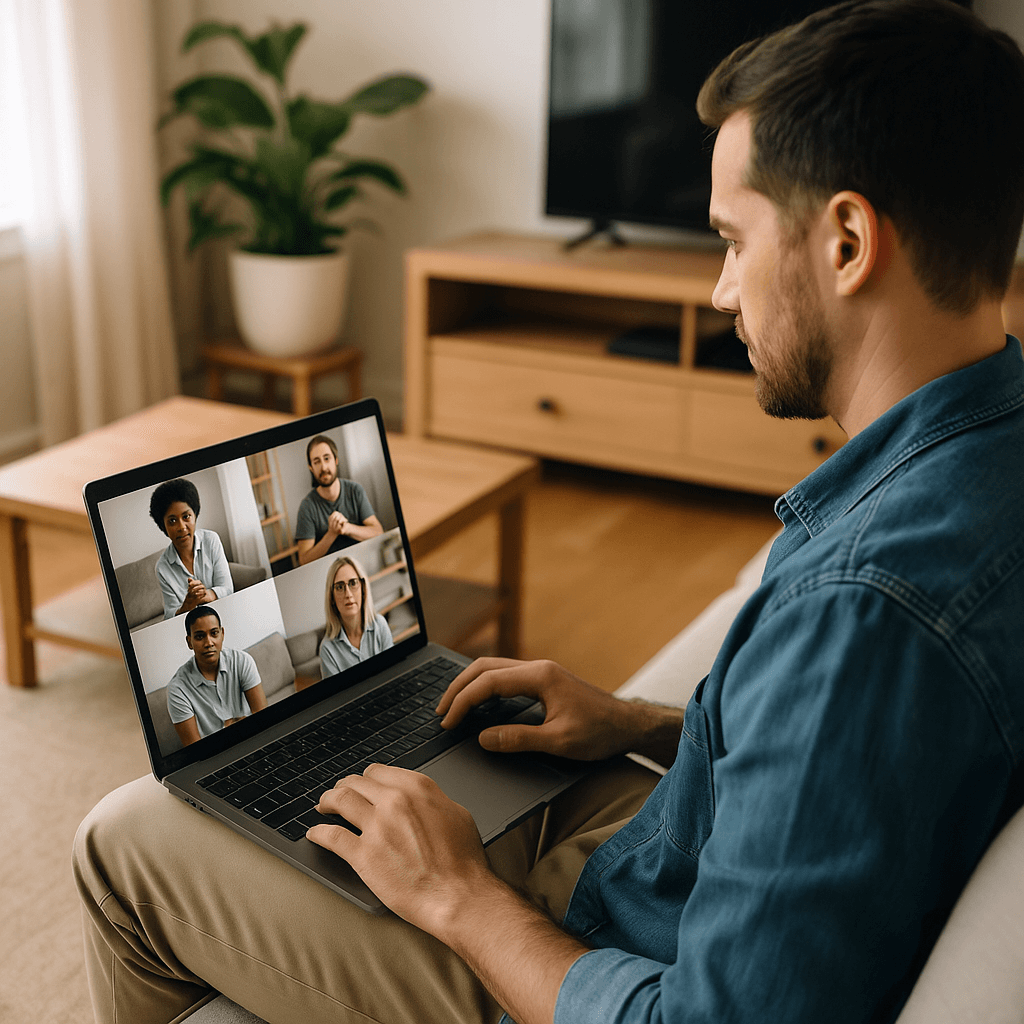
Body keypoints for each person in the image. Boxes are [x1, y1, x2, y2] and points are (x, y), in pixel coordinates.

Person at [73, 3, 1024, 1023]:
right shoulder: (979, 463)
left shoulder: (865, 612)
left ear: (845, 241)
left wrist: (458, 895)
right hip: (658, 862)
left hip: (613, 961)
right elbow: (829, 764)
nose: (717, 292)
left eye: (732, 242)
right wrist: (643, 720)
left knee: (123, 837)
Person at [166, 606, 268, 747]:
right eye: (200, 636)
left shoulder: (242, 661)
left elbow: (264, 719)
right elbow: (195, 750)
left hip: (253, 740)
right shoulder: (177, 689)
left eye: (214, 633)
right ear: (189, 642)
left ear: (222, 634)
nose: (209, 643)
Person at [150, 478, 234, 619]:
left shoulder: (211, 539)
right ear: (163, 526)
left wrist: (205, 595)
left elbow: (227, 588)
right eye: (172, 521)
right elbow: (170, 614)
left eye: (186, 516)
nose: (181, 527)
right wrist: (187, 605)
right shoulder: (162, 567)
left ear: (195, 515)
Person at [295, 435, 384, 565]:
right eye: (316, 462)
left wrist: (346, 528)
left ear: (336, 460)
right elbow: (304, 560)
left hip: (363, 561)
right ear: (311, 468)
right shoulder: (306, 507)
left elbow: (378, 531)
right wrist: (331, 534)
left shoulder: (355, 490)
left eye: (327, 458)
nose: (324, 467)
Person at [319, 555, 394, 678]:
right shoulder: (327, 649)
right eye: (339, 587)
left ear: (363, 588)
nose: (348, 594)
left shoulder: (380, 624)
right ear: (331, 597)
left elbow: (394, 672)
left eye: (353, 583)